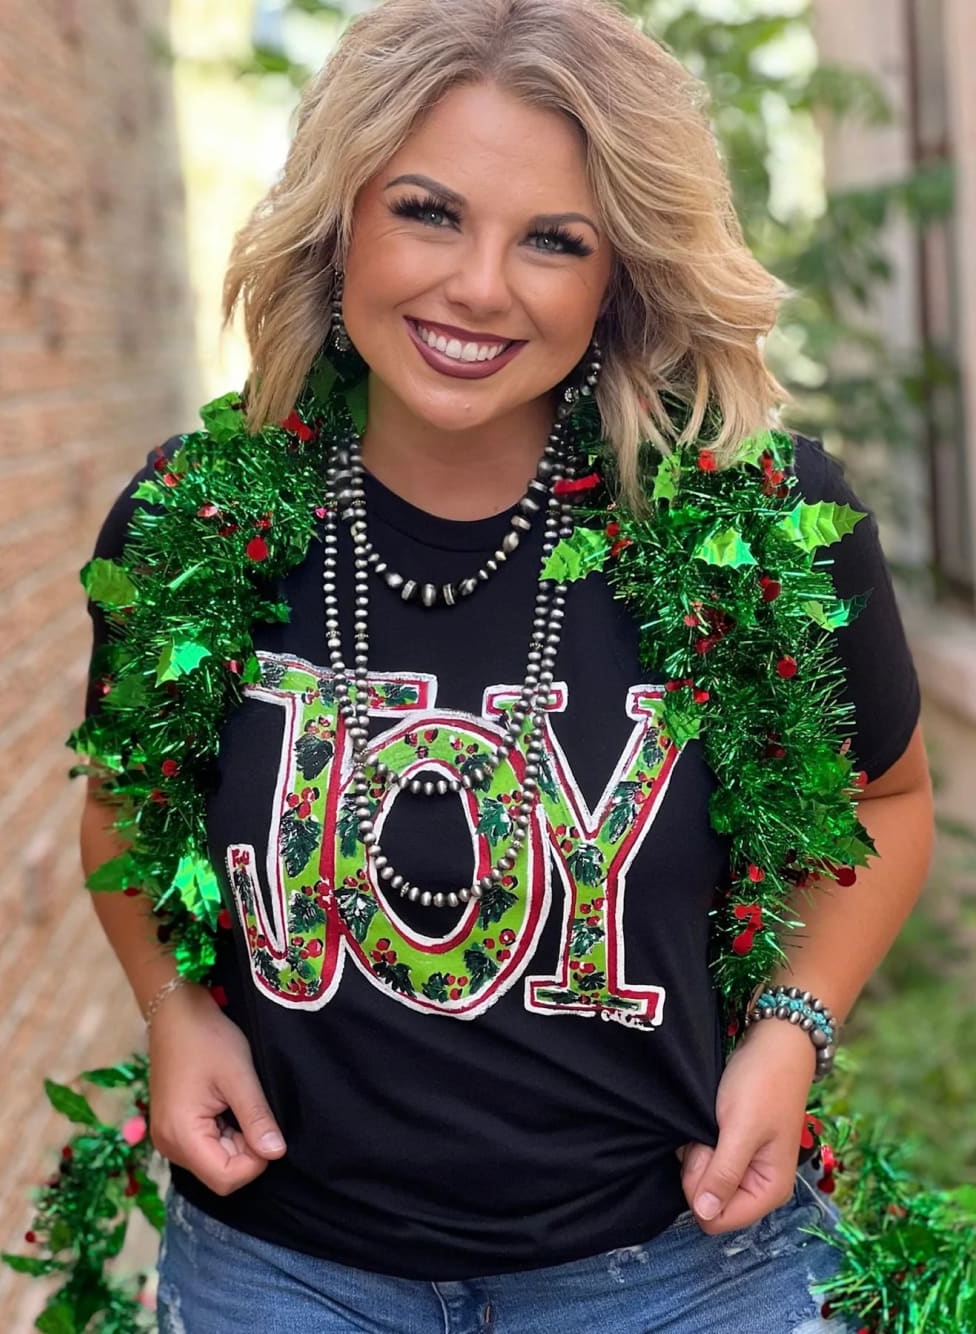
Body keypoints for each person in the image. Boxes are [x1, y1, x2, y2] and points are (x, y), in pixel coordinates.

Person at [79, 1, 934, 1330]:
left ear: (617, 275)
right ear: (341, 221)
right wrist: (172, 1007)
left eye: (553, 239)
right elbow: (125, 803)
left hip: (679, 1272)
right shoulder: (191, 524)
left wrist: (792, 1028)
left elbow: (890, 799)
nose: (480, 286)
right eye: (428, 212)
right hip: (279, 1272)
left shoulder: (759, 531)